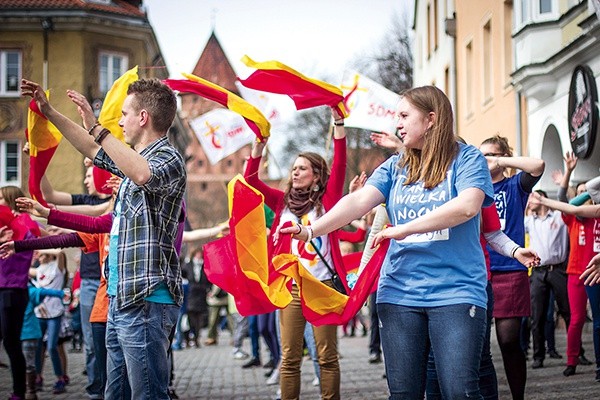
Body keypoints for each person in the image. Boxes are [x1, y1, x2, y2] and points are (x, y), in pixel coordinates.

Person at [282, 86, 494, 399]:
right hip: (399, 293)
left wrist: (405, 229)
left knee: (459, 392)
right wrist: (311, 230)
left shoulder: (467, 158)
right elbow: (357, 201)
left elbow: (467, 206)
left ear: (431, 119)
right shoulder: (396, 166)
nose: (397, 123)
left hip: (456, 292)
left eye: (405, 116)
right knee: (403, 394)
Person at [21, 77, 186, 399]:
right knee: (115, 394)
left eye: (125, 114)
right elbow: (92, 148)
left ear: (143, 117)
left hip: (147, 298)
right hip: (122, 298)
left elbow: (142, 173)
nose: (120, 121)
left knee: (148, 394)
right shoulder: (130, 164)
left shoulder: (168, 159)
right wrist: (50, 111)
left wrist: (98, 127)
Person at [246, 106, 347, 400]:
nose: (295, 171)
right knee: (289, 359)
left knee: (327, 357)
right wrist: (258, 147)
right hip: (290, 288)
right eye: (293, 168)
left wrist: (338, 124)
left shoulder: (328, 200)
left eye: (302, 168)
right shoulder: (281, 202)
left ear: (316, 176)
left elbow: (339, 163)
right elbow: (251, 181)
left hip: (323, 286)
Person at [479, 135, 544, 400]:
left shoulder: (515, 185)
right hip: (481, 271)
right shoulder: (475, 188)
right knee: (480, 347)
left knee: (508, 342)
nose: (486, 160)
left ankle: (518, 396)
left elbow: (537, 165)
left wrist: (500, 160)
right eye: (481, 156)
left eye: (491, 155)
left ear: (504, 156)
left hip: (511, 271)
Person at [529, 187, 600, 381]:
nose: (582, 197)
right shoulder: (573, 219)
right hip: (575, 272)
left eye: (586, 193)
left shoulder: (597, 215)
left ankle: (594, 362)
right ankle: (571, 361)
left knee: (594, 321)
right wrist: (588, 192)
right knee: (574, 319)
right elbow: (571, 206)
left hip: (594, 272)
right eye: (579, 193)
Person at [0, 186, 42, 400]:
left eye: (0, 198)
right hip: (7, 288)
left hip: (12, 289)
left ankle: (20, 391)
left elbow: (18, 252)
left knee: (11, 342)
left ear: (10, 200)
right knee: (10, 341)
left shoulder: (23, 224)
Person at [525, 190, 570, 369]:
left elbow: (565, 204)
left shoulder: (559, 217)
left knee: (568, 313)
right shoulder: (529, 220)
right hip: (537, 272)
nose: (528, 201)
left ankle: (576, 353)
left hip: (558, 270)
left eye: (531, 197)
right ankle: (538, 356)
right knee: (537, 316)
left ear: (540, 198)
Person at [32, 249, 68, 394]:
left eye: (40, 255)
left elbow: (59, 252)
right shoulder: (38, 269)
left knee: (52, 347)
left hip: (55, 313)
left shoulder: (58, 268)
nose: (38, 257)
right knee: (38, 347)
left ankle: (60, 378)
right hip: (40, 313)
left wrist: (41, 247)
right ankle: (38, 377)